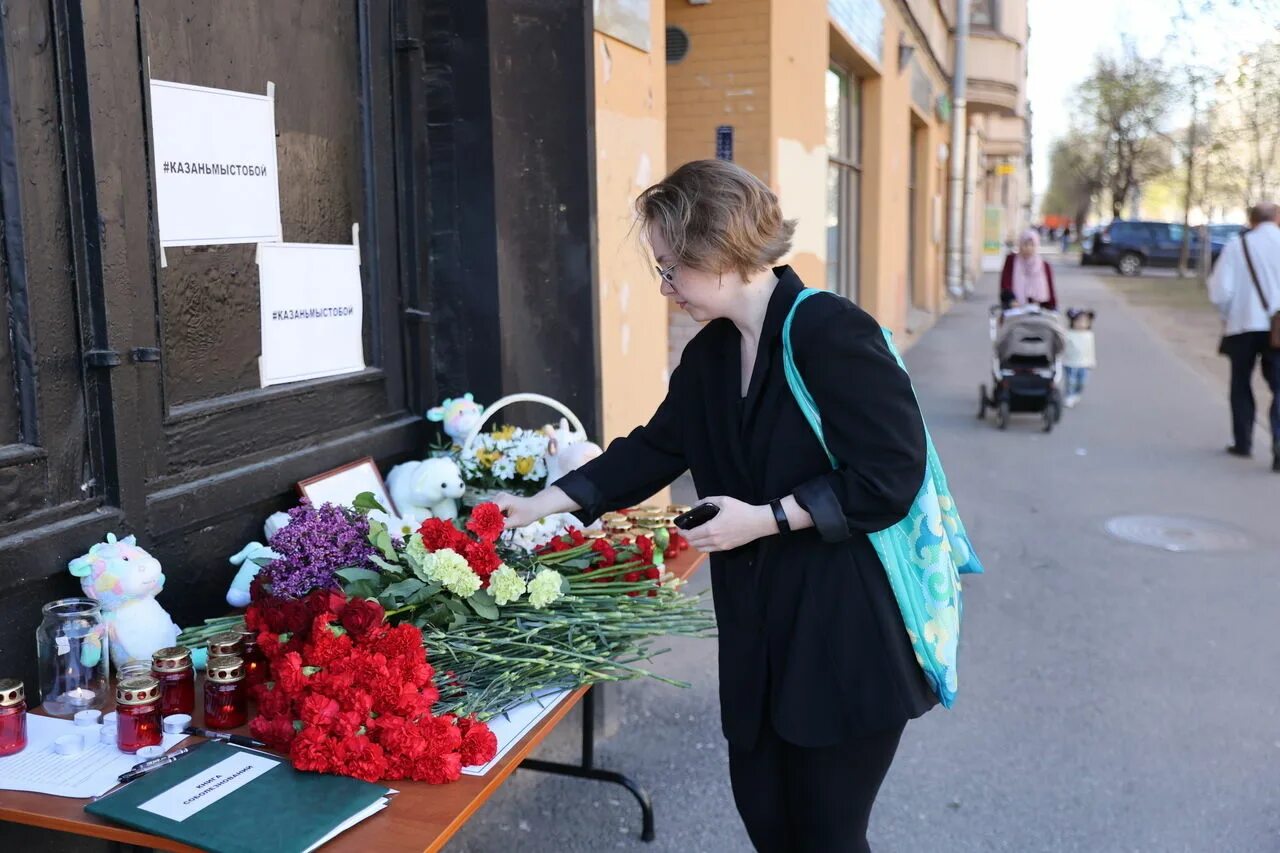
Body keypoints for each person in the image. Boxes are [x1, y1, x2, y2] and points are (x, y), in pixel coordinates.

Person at [495, 159, 937, 852]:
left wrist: (764, 518)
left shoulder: (830, 332)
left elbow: (892, 474)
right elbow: (653, 449)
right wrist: (542, 503)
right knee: (767, 820)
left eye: (672, 268)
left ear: (721, 252)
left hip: (842, 638)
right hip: (757, 636)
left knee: (826, 836)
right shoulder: (710, 357)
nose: (667, 288)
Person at [1208, 201, 1280, 472]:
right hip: (1278, 327)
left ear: (1251, 220)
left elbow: (1220, 292)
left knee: (1241, 382)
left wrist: (1228, 314)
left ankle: (1243, 441)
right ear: (1277, 218)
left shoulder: (1237, 247)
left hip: (1243, 324)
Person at [1000, 228, 1058, 311]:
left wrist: (1053, 309)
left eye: (1032, 245)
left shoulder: (1045, 266)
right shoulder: (1011, 261)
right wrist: (1011, 300)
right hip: (1015, 309)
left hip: (1039, 311)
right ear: (1020, 245)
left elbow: (1050, 292)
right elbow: (1005, 285)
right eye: (1025, 244)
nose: (1028, 248)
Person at [1063, 308, 1097, 408]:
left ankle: (1077, 393)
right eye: (1079, 321)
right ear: (1073, 322)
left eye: (1085, 321)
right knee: (1071, 381)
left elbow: (1091, 349)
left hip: (1084, 363)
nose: (1082, 324)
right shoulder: (1068, 334)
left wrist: (1092, 361)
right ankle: (1069, 395)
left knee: (1082, 382)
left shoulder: (1089, 335)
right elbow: (1063, 347)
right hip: (1070, 362)